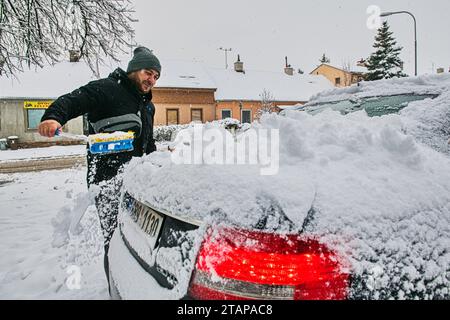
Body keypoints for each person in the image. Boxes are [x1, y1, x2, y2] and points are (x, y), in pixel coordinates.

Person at [38, 46, 161, 286]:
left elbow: (148, 141)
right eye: (148, 72)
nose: (152, 80)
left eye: (156, 76)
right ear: (134, 70)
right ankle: (116, 288)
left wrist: (157, 161)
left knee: (137, 241)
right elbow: (74, 100)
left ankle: (136, 286)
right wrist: (53, 117)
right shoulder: (107, 88)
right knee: (115, 242)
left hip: (138, 183)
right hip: (107, 184)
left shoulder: (147, 105)